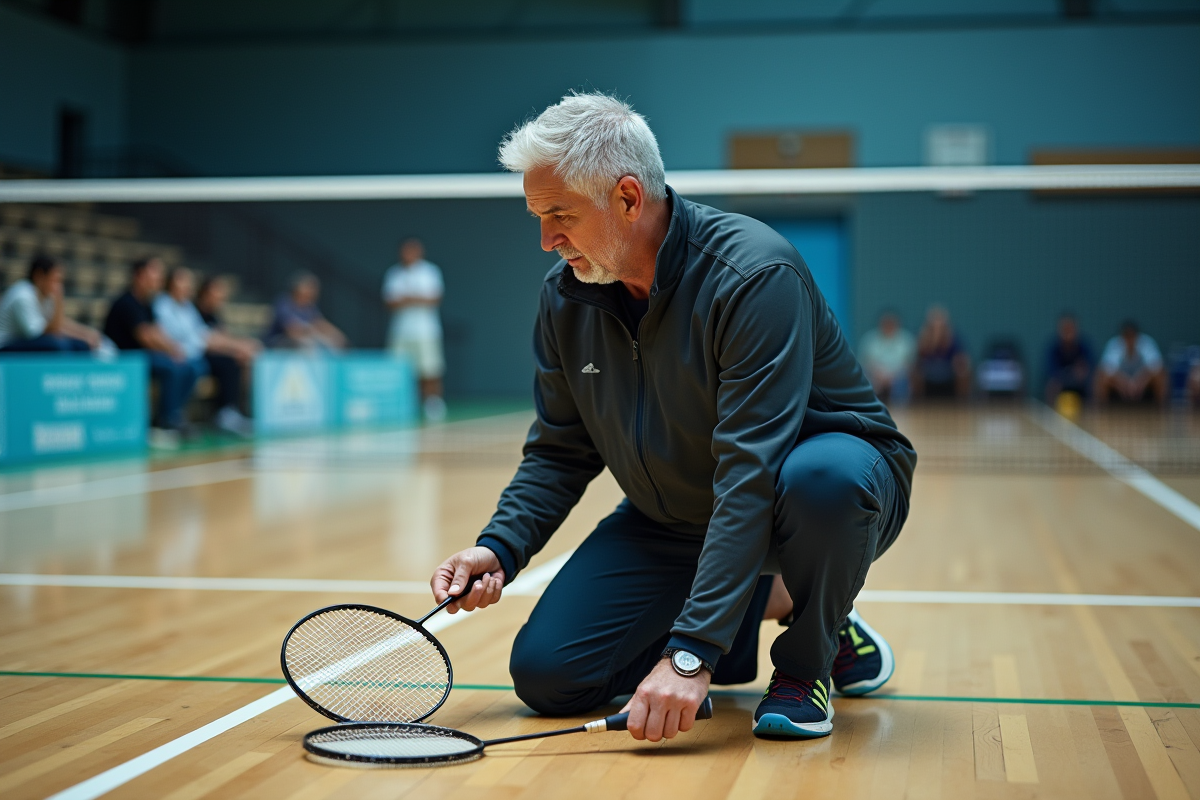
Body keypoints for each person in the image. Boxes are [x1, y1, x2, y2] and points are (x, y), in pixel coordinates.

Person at [428, 93, 916, 743]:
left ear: (628, 199)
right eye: (537, 217)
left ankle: (809, 657)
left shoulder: (751, 275)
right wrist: (500, 546)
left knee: (825, 477)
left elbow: (750, 471)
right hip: (675, 515)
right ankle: (779, 598)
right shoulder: (565, 299)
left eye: (560, 216)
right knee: (549, 676)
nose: (547, 240)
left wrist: (691, 654)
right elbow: (560, 450)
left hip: (810, 496)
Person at [103, 257, 200, 441]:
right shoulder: (126, 302)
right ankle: (166, 420)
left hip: (141, 357)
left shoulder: (147, 304)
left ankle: (175, 414)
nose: (159, 279)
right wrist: (172, 350)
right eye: (154, 273)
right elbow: (145, 336)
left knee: (190, 366)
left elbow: (157, 331)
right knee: (171, 366)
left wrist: (174, 349)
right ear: (139, 276)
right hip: (123, 358)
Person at [154, 267, 258, 436]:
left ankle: (229, 412)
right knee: (199, 366)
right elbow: (169, 334)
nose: (187, 286)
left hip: (192, 353)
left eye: (189, 282)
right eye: (183, 281)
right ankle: (169, 417)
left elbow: (199, 335)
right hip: (177, 353)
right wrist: (175, 349)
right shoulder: (162, 304)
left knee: (217, 363)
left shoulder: (188, 308)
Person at [384, 238, 447, 421]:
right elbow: (390, 302)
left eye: (413, 250)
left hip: (426, 331)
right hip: (401, 331)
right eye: (406, 250)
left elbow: (434, 299)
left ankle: (433, 404)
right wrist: (414, 299)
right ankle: (401, 405)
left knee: (430, 369)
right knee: (398, 369)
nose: (409, 254)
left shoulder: (430, 271)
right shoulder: (394, 274)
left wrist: (408, 299)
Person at [0, 256, 100, 352]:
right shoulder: (22, 296)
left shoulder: (43, 295)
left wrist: (85, 335)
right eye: (55, 280)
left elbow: (58, 324)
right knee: (57, 345)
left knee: (81, 345)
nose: (58, 285)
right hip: (5, 345)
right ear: (39, 276)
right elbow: (49, 332)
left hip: (25, 341)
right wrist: (59, 300)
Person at [264, 272, 347, 350]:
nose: (312, 292)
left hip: (301, 343)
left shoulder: (309, 306)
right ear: (298, 288)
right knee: (307, 343)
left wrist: (336, 336)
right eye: (309, 287)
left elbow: (319, 323)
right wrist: (315, 335)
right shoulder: (284, 303)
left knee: (329, 344)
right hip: (277, 345)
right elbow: (292, 330)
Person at [1094, 320, 1166, 406]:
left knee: (1160, 376)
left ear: (1137, 336)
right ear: (1122, 337)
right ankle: (1101, 412)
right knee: (1102, 377)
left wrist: (1139, 383)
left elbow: (1156, 366)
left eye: (1132, 336)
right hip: (1120, 388)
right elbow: (1107, 369)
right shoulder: (1115, 344)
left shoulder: (1146, 343)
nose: (1129, 340)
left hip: (1142, 387)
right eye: (1127, 336)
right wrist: (1125, 384)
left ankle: (1161, 410)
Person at [857, 310, 916, 404]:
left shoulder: (906, 339)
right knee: (867, 380)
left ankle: (900, 412)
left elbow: (909, 364)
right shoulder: (870, 339)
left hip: (898, 377)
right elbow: (865, 363)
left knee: (902, 382)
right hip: (875, 376)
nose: (889, 326)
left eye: (891, 323)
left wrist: (892, 376)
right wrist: (879, 374)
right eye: (886, 323)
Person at [913, 305, 970, 399]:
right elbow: (919, 357)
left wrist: (959, 363)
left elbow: (961, 357)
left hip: (948, 370)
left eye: (940, 321)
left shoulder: (953, 337)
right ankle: (918, 401)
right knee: (915, 373)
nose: (937, 324)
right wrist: (932, 342)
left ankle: (962, 402)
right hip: (928, 370)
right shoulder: (922, 337)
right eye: (934, 321)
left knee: (963, 372)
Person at [1044, 313, 1093, 405]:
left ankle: (1094, 412)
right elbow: (1052, 372)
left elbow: (1089, 368)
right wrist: (1069, 373)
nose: (1068, 334)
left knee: (1094, 383)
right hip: (1061, 382)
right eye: (1065, 329)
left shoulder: (1084, 347)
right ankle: (1051, 413)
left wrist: (1082, 372)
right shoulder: (1053, 349)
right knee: (1052, 385)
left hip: (1081, 383)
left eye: (1070, 329)